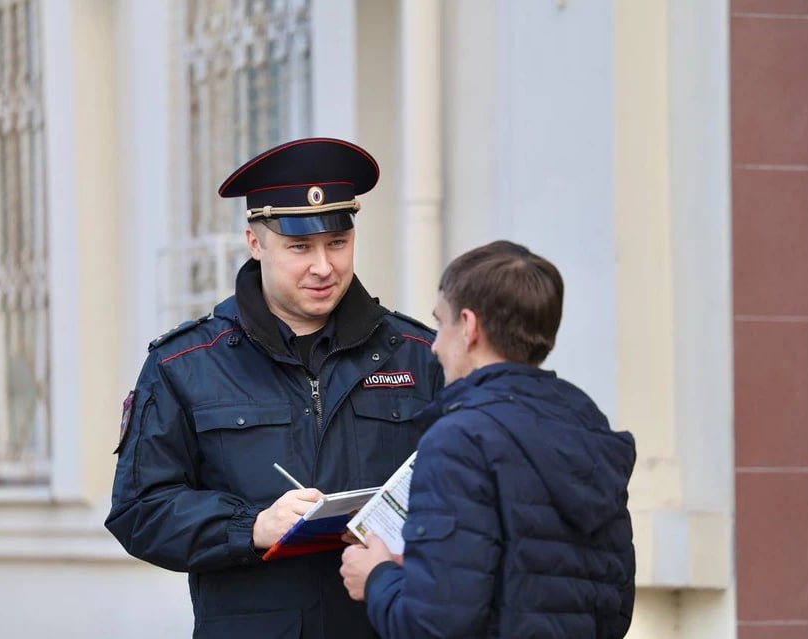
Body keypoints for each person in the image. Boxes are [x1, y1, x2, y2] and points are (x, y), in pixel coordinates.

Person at [106, 137, 444, 638]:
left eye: (338, 243)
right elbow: (141, 510)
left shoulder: (419, 354)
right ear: (254, 241)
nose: (324, 267)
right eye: (299, 247)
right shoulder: (184, 364)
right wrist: (252, 526)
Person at [340, 240, 637, 639]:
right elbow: (614, 608)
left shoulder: (458, 441)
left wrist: (376, 577)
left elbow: (434, 625)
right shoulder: (586, 426)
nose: (435, 345)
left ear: (469, 326)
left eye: (441, 323)